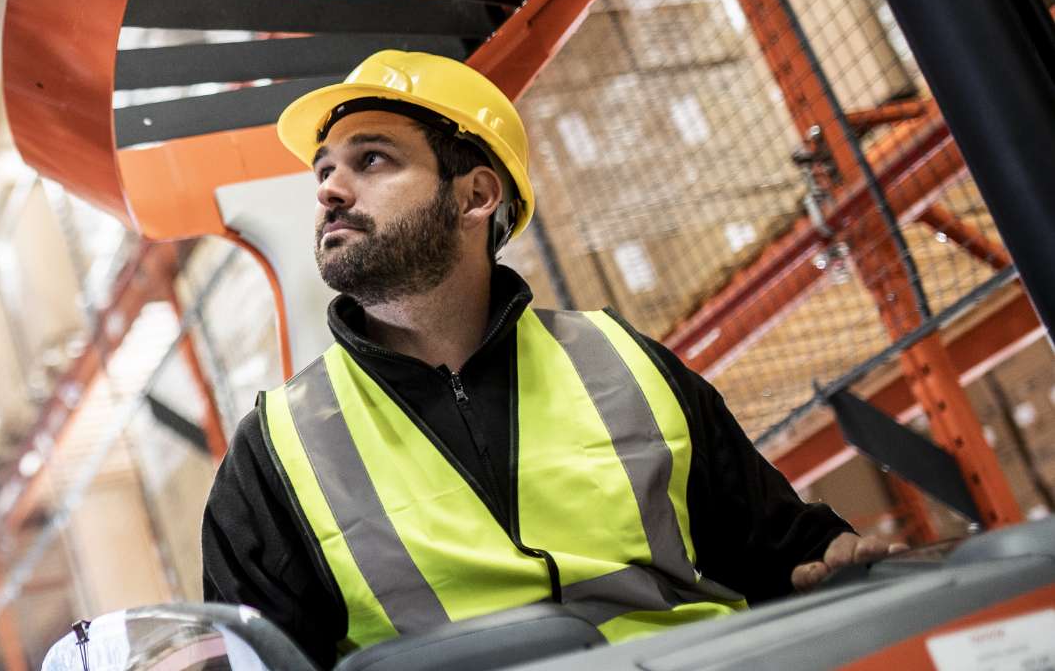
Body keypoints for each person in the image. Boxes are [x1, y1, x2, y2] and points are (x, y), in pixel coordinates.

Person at [199, 50, 901, 668]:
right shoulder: (278, 452)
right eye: (323, 171)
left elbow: (779, 550)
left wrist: (835, 561)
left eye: (371, 160)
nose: (328, 190)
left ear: (475, 196)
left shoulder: (623, 362)